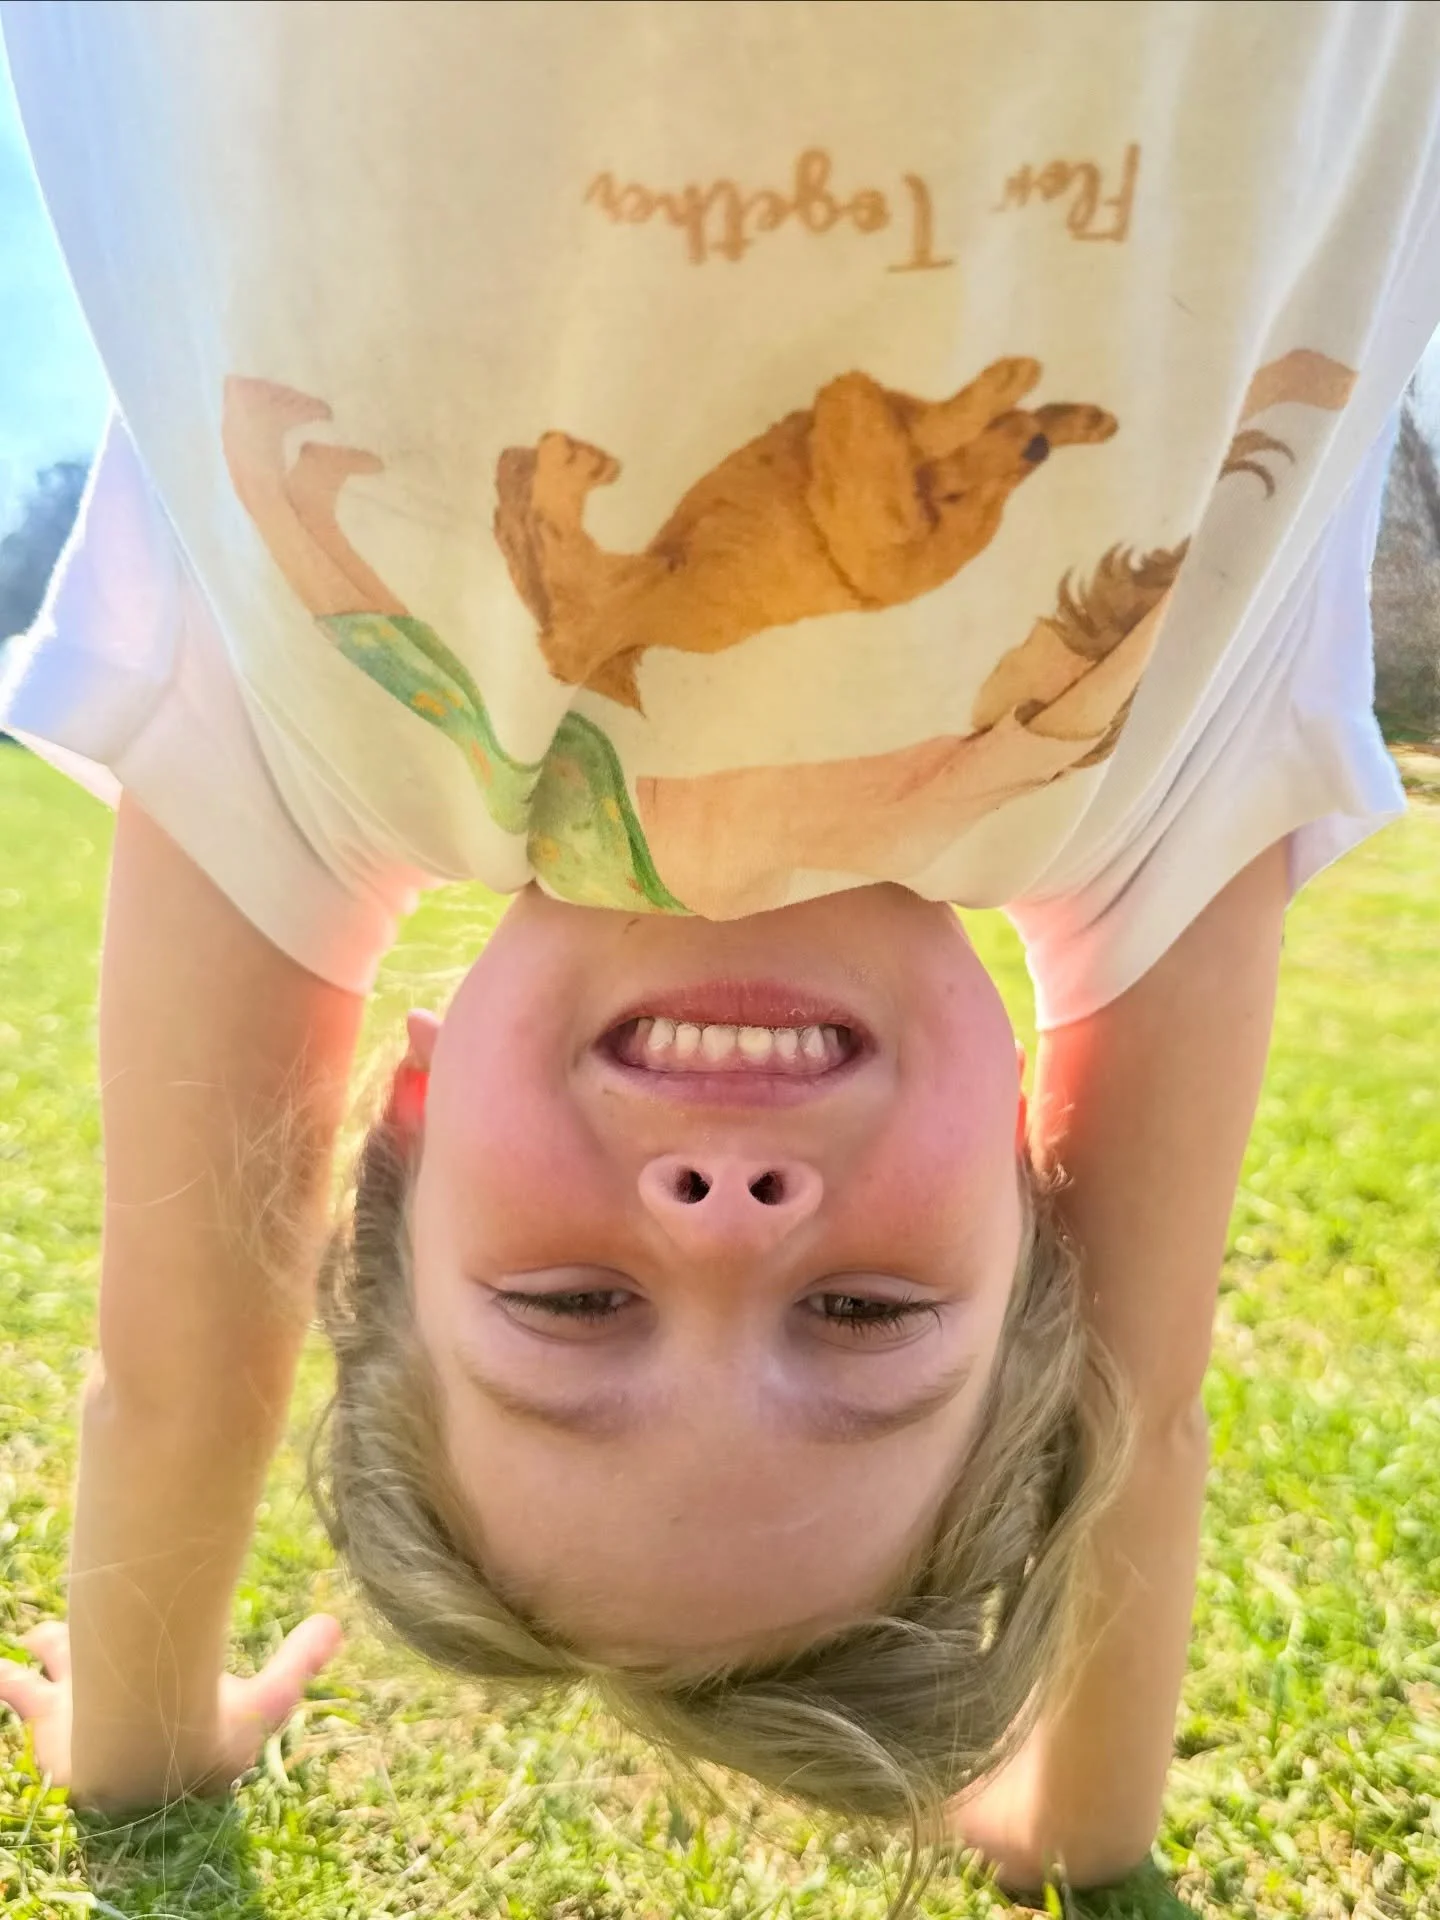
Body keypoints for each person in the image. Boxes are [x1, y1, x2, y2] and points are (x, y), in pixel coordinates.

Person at [0, 0, 1436, 1899]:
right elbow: (1142, 1418)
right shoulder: (1136, 779)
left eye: (573, 1308)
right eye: (863, 1319)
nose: (726, 1207)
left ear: (402, 1129)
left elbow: (174, 1384)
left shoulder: (309, 742)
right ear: (1033, 1201)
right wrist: (1078, 1833)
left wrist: (145, 1745)